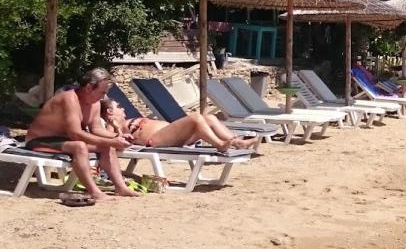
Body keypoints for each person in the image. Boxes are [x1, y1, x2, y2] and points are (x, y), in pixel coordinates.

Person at [22, 67, 138, 200]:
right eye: (102, 92)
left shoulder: (94, 103)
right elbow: (75, 134)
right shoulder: (70, 100)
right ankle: (94, 192)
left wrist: (118, 137)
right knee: (79, 146)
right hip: (38, 140)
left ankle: (121, 187)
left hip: (62, 139)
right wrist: (111, 141)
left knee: (107, 146)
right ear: (89, 87)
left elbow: (96, 129)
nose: (103, 96)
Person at [100, 99, 257, 152]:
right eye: (118, 107)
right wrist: (115, 126)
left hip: (170, 135)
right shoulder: (110, 127)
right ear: (109, 112)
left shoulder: (127, 120)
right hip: (155, 140)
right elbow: (115, 143)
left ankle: (237, 142)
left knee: (208, 117)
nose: (122, 109)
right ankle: (220, 144)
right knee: (195, 117)